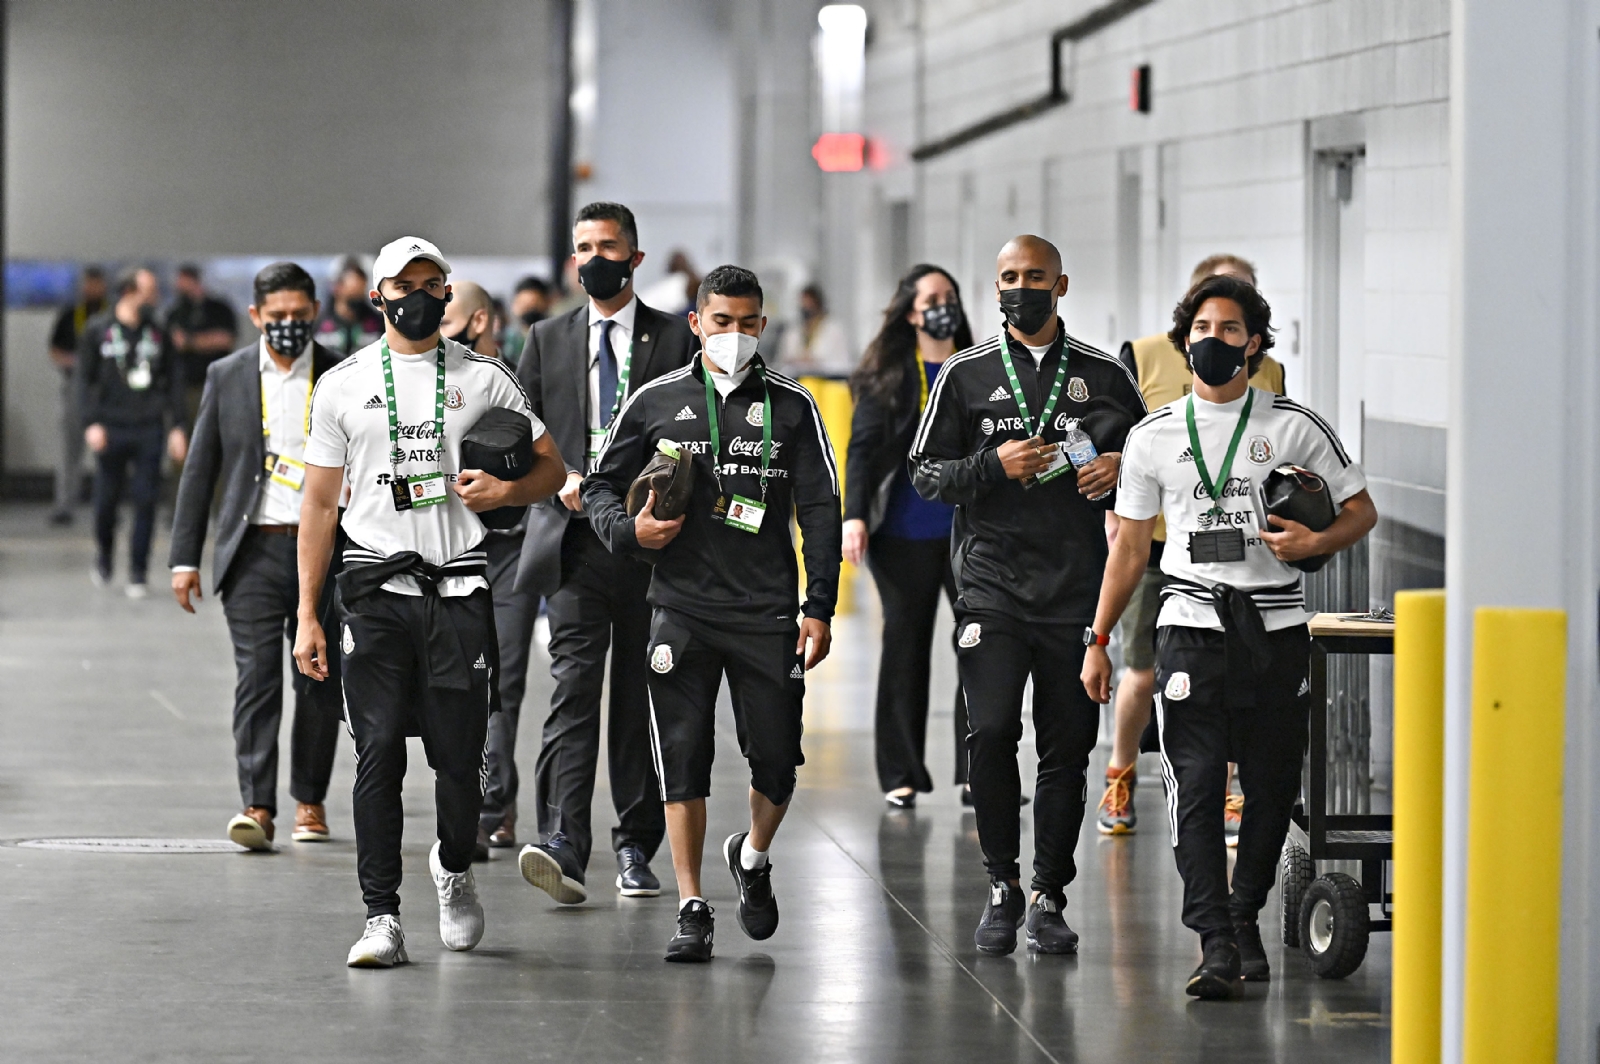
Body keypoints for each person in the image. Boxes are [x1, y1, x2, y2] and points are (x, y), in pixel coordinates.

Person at [1081, 273, 1376, 997]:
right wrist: (1098, 638)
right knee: (1200, 783)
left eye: (1231, 330)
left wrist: (1314, 544)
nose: (1216, 341)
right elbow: (1127, 549)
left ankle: (1245, 917)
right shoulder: (1151, 437)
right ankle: (1214, 937)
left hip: (1275, 627)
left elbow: (1360, 511)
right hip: (1190, 625)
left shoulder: (1293, 424)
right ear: (1186, 341)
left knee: (1272, 784)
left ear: (1256, 343)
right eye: (1204, 330)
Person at [292, 236, 565, 968]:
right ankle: (381, 915)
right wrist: (310, 615)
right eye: (401, 284)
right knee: (376, 749)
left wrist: (508, 490)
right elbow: (318, 507)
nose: (416, 294)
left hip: (460, 590)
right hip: (375, 588)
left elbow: (553, 469)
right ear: (376, 296)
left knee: (457, 757)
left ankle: (453, 867)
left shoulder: (485, 378)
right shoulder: (343, 384)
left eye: (430, 282)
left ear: (449, 294)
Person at [583, 264, 842, 963]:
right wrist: (628, 534)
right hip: (681, 608)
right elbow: (601, 486)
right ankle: (692, 905)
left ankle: (752, 857)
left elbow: (821, 509)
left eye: (747, 322)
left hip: (766, 612)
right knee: (683, 760)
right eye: (720, 321)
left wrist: (820, 605)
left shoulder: (793, 406)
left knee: (779, 762)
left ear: (764, 325)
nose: (734, 334)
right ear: (696, 323)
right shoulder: (656, 400)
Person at [908, 235, 1145, 957]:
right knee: (992, 731)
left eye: (1034, 277)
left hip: (1076, 590)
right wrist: (992, 464)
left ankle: (1048, 893)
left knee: (1066, 748)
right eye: (1008, 277)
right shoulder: (964, 373)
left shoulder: (1105, 375)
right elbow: (925, 473)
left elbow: (1155, 455)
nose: (1020, 288)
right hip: (991, 585)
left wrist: (1117, 464)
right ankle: (1001, 883)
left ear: (1060, 285)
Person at [512, 201, 697, 900]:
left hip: (651, 550)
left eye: (608, 245)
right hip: (573, 546)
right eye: (583, 246)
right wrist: (555, 480)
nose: (595, 257)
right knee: (573, 690)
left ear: (635, 257)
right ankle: (563, 838)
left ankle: (633, 845)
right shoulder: (546, 339)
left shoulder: (676, 340)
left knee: (642, 698)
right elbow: (524, 438)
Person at [1099, 253, 1288, 840]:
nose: (1221, 331)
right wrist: (1115, 516)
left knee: (1235, 673)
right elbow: (1120, 442)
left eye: (1239, 309)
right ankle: (1120, 773)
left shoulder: (1271, 372)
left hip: (1238, 551)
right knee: (1140, 669)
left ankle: (1232, 791)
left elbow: (1278, 453)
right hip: (1158, 544)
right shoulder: (1145, 356)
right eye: (1210, 311)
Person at [168, 262, 345, 850]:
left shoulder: (342, 374)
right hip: (253, 550)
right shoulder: (229, 374)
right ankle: (258, 805)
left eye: (299, 315)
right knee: (257, 679)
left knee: (318, 680)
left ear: (314, 312)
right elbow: (201, 468)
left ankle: (310, 804)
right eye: (277, 318)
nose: (289, 325)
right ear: (255, 317)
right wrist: (184, 557)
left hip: (324, 552)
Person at [843, 264, 975, 808]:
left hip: (968, 533)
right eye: (933, 297)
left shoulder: (976, 368)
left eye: (951, 295)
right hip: (902, 534)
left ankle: (976, 772)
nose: (944, 305)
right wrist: (853, 516)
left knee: (979, 645)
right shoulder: (888, 373)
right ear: (911, 311)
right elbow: (862, 449)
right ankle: (900, 770)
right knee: (905, 647)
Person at [440, 279, 534, 860]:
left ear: (478, 323)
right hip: (454, 551)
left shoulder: (520, 379)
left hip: (518, 550)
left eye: (446, 319)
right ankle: (479, 801)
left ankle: (491, 806)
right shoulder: (437, 383)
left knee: (508, 681)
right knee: (463, 682)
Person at [77, 267, 188, 597]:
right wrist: (91, 422)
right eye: (148, 290)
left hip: (148, 428)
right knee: (106, 502)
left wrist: (177, 427)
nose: (154, 297)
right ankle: (104, 555)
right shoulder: (98, 330)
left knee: (146, 500)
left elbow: (174, 382)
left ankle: (138, 570)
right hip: (110, 427)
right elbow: (84, 381)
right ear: (129, 292)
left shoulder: (158, 331)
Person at [48, 265, 107, 525]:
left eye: (96, 284)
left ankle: (106, 504)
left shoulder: (111, 315)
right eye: (87, 284)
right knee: (69, 449)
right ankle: (64, 504)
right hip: (75, 385)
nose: (91, 289)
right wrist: (71, 362)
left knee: (107, 449)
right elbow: (54, 349)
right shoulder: (72, 314)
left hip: (104, 388)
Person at [166, 264, 239, 419]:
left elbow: (225, 339)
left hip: (216, 383)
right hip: (187, 385)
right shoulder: (176, 312)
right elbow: (172, 342)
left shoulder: (218, 309)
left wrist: (191, 342)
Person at [314, 256, 386, 359]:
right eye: (353, 291)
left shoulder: (378, 323)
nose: (357, 296)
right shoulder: (318, 324)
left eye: (361, 290)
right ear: (337, 287)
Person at [777, 283, 853, 376]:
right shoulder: (794, 331)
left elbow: (841, 364)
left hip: (826, 382)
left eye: (809, 303)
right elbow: (784, 361)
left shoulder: (833, 329)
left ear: (818, 304)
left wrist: (814, 362)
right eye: (803, 303)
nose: (806, 306)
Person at [501, 276, 551, 367]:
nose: (529, 312)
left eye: (534, 306)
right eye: (524, 306)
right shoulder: (505, 339)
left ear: (547, 303)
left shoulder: (557, 337)